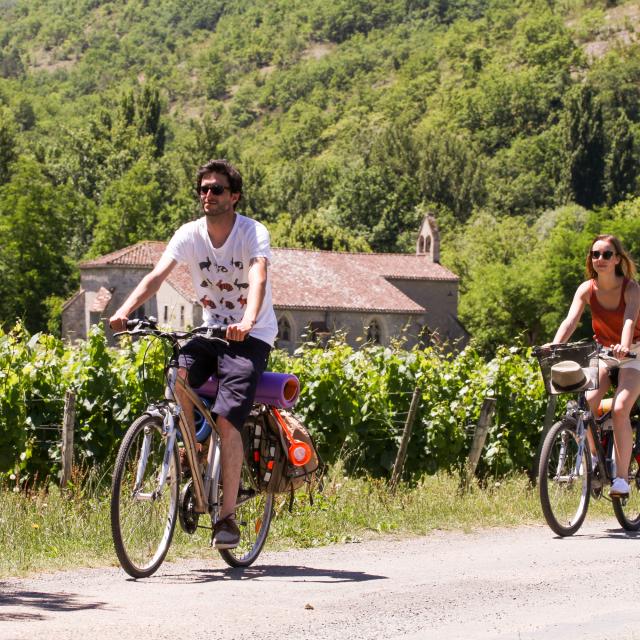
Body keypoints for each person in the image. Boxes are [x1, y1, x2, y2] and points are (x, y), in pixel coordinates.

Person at [109, 159, 277, 548]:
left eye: (216, 189)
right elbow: (156, 276)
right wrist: (124, 312)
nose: (208, 195)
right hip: (209, 330)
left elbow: (258, 276)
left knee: (227, 422)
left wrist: (248, 320)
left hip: (250, 336)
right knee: (177, 377)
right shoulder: (189, 234)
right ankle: (191, 451)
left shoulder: (252, 232)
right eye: (203, 189)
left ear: (233, 196)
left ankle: (228, 518)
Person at [551, 234, 640, 497]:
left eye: (606, 254)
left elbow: (628, 320)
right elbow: (570, 321)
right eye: (595, 254)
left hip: (634, 351)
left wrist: (624, 346)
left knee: (621, 409)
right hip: (602, 351)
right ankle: (593, 459)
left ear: (617, 259)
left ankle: (621, 480)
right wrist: (554, 345)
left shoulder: (631, 288)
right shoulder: (586, 289)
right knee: (586, 404)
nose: (600, 259)